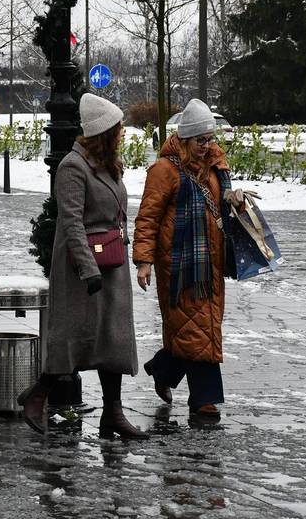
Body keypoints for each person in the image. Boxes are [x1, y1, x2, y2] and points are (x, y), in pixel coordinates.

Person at [18, 93, 147, 439]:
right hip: (82, 268)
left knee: (113, 339)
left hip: (113, 263)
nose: (122, 133)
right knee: (73, 338)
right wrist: (88, 269)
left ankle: (113, 413)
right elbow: (71, 223)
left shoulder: (107, 165)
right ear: (104, 132)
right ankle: (37, 395)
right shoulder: (73, 167)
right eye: (118, 128)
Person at [133, 98, 253, 418]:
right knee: (197, 329)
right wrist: (143, 261)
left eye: (211, 139)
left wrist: (234, 199)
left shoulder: (215, 168)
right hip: (179, 267)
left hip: (209, 264)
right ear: (185, 139)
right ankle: (204, 400)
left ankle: (164, 369)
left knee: (197, 328)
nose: (207, 145)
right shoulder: (164, 170)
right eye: (201, 140)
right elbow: (148, 218)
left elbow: (219, 207)